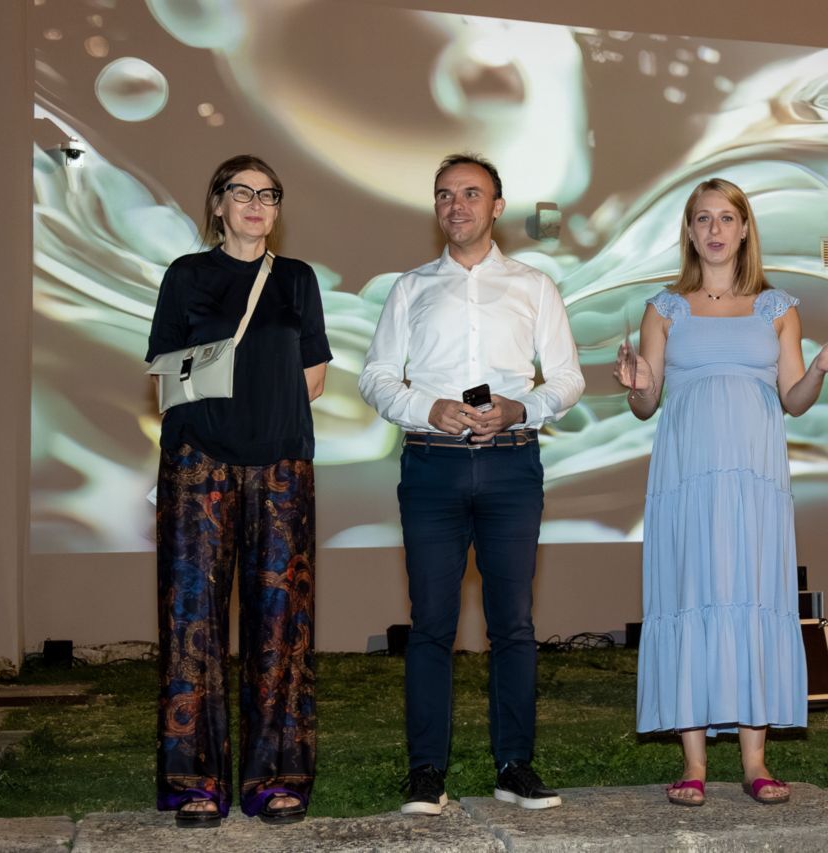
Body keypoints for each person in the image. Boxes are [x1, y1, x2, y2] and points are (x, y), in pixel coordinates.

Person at [615, 177, 828, 806]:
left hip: (754, 479)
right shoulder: (665, 308)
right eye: (702, 218)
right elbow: (646, 402)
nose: (714, 229)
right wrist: (636, 383)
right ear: (690, 232)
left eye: (726, 218)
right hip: (688, 477)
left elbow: (793, 399)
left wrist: (818, 368)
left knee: (754, 595)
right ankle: (693, 764)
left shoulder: (777, 307)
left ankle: (755, 761)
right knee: (691, 594)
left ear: (744, 230)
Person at [359, 153, 584, 815]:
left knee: (512, 624)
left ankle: (514, 766)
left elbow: (567, 378)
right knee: (431, 624)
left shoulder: (534, 285)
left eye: (470, 193)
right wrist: (425, 407)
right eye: (444, 195)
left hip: (512, 466)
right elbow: (376, 376)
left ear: (497, 206)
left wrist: (522, 407)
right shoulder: (410, 288)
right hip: (431, 467)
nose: (455, 206)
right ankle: (426, 772)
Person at [147, 155, 331, 827]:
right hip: (199, 467)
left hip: (281, 467)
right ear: (218, 204)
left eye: (269, 194)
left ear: (277, 209)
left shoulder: (297, 279)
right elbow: (162, 372)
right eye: (243, 191)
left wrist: (259, 407)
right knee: (191, 624)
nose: (257, 203)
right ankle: (195, 781)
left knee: (281, 628)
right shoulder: (186, 275)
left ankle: (275, 778)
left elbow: (314, 378)